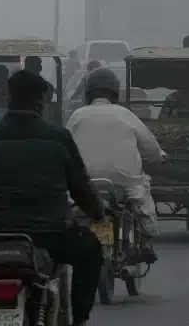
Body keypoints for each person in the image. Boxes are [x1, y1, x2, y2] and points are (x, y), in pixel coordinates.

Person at [0, 70, 105, 324]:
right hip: (53, 235)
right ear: (40, 101)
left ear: (8, 97)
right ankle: (78, 320)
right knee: (91, 252)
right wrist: (97, 213)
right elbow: (82, 190)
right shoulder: (59, 139)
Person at [65, 66, 163, 262]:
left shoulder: (77, 115)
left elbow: (64, 147)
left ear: (88, 91)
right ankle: (144, 242)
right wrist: (159, 158)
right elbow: (151, 149)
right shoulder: (126, 114)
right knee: (142, 194)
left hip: (86, 182)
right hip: (124, 182)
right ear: (115, 91)